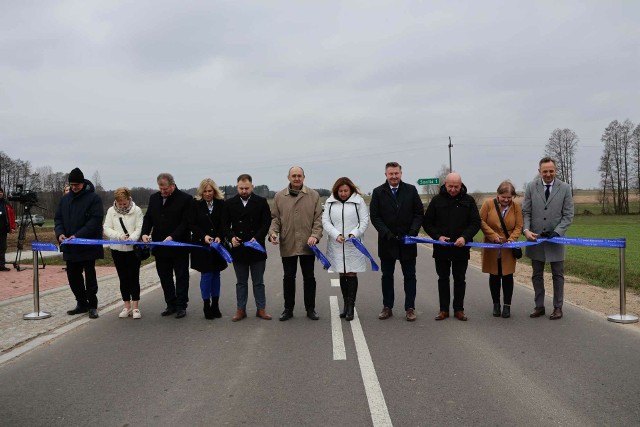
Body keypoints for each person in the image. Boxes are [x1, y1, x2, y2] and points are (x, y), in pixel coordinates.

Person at [370, 162, 424, 321]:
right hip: (387, 242)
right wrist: (386, 233)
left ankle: (410, 308)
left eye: (396, 173)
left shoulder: (411, 190)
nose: (394, 176)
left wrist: (413, 232)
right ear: (386, 174)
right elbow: (375, 217)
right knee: (387, 275)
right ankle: (387, 307)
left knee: (410, 276)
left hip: (407, 241)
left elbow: (418, 213)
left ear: (401, 173)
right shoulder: (378, 192)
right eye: (390, 174)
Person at [423, 172, 480, 321]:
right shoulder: (436, 200)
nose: (453, 189)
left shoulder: (469, 200)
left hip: (461, 248)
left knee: (460, 279)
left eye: (456, 186)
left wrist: (465, 237)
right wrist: (437, 237)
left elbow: (475, 223)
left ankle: (459, 309)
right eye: (450, 186)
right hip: (441, 248)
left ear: (461, 185)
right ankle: (443, 310)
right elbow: (427, 223)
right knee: (443, 279)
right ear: (445, 184)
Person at [269, 166, 323, 321]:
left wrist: (315, 236)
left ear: (304, 177)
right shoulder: (279, 196)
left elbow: (318, 219)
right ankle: (288, 309)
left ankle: (310, 308)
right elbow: (275, 219)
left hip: (308, 244)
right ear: (288, 177)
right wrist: (273, 233)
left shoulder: (313, 195)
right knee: (288, 277)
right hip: (288, 243)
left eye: (299, 175)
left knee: (309, 277)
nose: (296, 178)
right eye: (294, 175)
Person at [523, 157, 574, 320]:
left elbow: (568, 215)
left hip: (556, 240)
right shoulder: (531, 187)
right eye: (545, 171)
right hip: (535, 239)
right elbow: (526, 212)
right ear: (539, 172)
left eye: (551, 171)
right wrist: (526, 230)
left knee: (558, 275)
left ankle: (558, 307)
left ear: (555, 170)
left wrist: (557, 232)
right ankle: (539, 306)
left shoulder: (565, 188)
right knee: (536, 274)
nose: (548, 174)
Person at [221, 174, 273, 321]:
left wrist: (257, 237)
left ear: (252, 187)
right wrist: (231, 237)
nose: (244, 191)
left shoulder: (261, 202)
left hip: (256, 247)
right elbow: (224, 225)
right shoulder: (229, 203)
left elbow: (266, 222)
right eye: (241, 188)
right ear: (237, 187)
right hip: (239, 248)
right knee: (241, 282)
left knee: (258, 282)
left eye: (246, 188)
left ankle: (261, 309)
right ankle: (240, 310)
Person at [54, 168, 104, 319]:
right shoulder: (65, 199)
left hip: (87, 244)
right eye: (72, 184)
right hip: (70, 245)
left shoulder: (93, 198)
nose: (74, 187)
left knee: (90, 276)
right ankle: (81, 303)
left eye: (77, 184)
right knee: (73, 276)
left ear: (83, 183)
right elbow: (58, 219)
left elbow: (95, 220)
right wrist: (60, 233)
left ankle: (92, 305)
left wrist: (78, 235)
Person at [141, 173, 192, 319]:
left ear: (172, 185)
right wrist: (145, 233)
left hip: (178, 245)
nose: (162, 192)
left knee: (181, 276)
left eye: (165, 189)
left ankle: (181, 305)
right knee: (165, 276)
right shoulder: (154, 198)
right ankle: (171, 303)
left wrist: (173, 236)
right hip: (160, 246)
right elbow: (148, 218)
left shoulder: (185, 199)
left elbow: (186, 222)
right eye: (160, 188)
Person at [322, 177, 370, 321]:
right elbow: (326, 221)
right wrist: (336, 234)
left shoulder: (358, 202)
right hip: (337, 243)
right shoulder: (330, 203)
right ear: (336, 190)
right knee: (342, 273)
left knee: (351, 273)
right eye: (340, 191)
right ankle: (345, 304)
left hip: (353, 243)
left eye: (346, 190)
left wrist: (354, 234)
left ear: (351, 190)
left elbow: (364, 220)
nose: (343, 193)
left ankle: (351, 306)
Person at [479, 180, 523, 318]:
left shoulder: (516, 207)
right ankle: (496, 304)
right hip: (492, 245)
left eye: (509, 197)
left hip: (508, 248)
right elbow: (480, 221)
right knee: (494, 275)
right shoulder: (488, 204)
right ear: (497, 194)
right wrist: (492, 236)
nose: (506, 200)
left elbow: (519, 226)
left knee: (507, 276)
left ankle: (507, 306)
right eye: (503, 197)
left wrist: (512, 239)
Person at [188, 178, 227, 320]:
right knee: (206, 275)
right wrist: (204, 236)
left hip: (217, 245)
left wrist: (219, 236)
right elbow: (192, 224)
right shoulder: (195, 204)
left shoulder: (221, 204)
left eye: (210, 191)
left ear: (214, 191)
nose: (207, 193)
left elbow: (224, 223)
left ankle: (215, 305)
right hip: (202, 245)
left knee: (216, 274)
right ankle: (206, 304)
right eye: (205, 191)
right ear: (201, 192)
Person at [103, 187, 145, 319]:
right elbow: (107, 228)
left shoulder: (136, 210)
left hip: (132, 249)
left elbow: (139, 228)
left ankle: (136, 306)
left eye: (124, 203)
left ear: (128, 199)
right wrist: (118, 236)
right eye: (120, 203)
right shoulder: (111, 211)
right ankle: (126, 305)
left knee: (134, 276)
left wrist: (131, 239)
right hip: (117, 249)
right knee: (123, 277)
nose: (122, 206)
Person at [0, 187, 17, 271]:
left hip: (3, 230)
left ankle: (1, 265)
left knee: (2, 247)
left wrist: (12, 227)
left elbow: (11, 215)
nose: (0, 193)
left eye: (1, 192)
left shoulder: (6, 203)